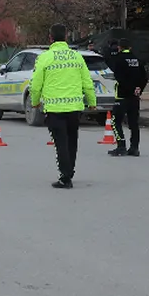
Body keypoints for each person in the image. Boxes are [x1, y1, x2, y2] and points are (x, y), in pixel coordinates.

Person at [29, 23, 97, 189]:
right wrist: (92, 102)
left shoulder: (44, 58)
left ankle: (65, 177)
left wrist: (34, 101)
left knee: (61, 143)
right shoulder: (76, 57)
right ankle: (70, 171)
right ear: (66, 36)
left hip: (55, 109)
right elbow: (87, 82)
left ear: (50, 38)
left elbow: (36, 84)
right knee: (72, 141)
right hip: (74, 108)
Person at [105, 38, 148, 157]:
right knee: (134, 123)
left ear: (119, 47)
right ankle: (134, 148)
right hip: (135, 97)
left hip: (122, 96)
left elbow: (120, 78)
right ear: (130, 47)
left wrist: (130, 89)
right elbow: (144, 77)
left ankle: (121, 146)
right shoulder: (137, 60)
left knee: (115, 121)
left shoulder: (118, 60)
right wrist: (139, 89)